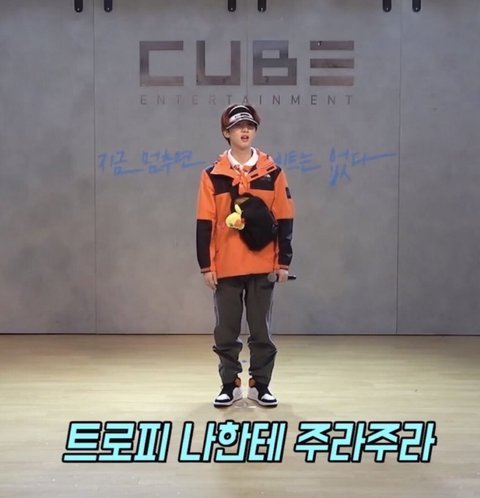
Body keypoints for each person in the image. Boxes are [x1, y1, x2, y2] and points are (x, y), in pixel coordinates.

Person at [196, 104, 294, 408]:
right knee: (226, 329)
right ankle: (230, 384)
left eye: (250, 126)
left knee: (261, 329)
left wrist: (283, 262)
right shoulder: (212, 175)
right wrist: (206, 266)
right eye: (238, 126)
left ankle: (259, 385)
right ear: (226, 133)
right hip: (226, 264)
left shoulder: (273, 173)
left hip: (263, 263)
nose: (245, 130)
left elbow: (285, 218)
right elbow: (205, 221)